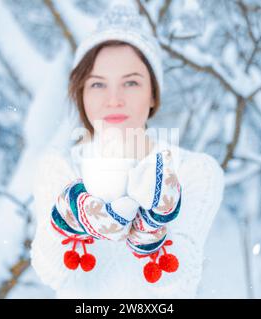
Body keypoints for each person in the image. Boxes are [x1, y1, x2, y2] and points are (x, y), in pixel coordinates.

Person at [30, 0, 224, 298]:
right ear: (80, 93)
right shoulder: (60, 168)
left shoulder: (193, 171)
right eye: (97, 85)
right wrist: (73, 219)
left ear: (153, 94)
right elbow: (51, 271)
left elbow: (180, 277)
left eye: (131, 83)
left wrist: (152, 228)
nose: (114, 99)